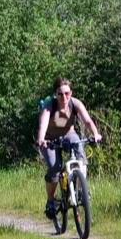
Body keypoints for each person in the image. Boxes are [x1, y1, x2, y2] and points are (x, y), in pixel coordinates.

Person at [35, 78, 102, 219]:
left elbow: (88, 120)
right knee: (55, 166)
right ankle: (50, 201)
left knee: (80, 156)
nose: (63, 97)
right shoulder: (49, 105)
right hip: (49, 139)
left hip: (68, 135)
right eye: (60, 94)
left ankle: (79, 190)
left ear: (71, 93)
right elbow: (43, 124)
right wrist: (41, 139)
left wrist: (95, 133)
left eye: (66, 93)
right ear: (55, 94)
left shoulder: (75, 103)